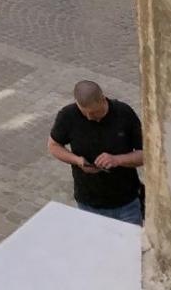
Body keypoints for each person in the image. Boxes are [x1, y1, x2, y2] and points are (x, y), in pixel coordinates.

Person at [48, 80, 144, 225]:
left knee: (132, 240)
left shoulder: (124, 113)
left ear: (103, 99)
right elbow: (53, 146)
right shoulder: (68, 116)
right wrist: (77, 160)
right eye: (84, 112)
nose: (89, 117)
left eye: (94, 112)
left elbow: (145, 155)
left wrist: (117, 160)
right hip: (88, 203)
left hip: (126, 204)